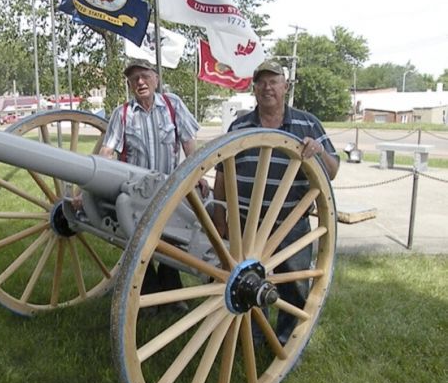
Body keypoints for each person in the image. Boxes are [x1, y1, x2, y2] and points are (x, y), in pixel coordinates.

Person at [212, 60, 340, 344]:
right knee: (246, 284)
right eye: (261, 82)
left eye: (273, 81)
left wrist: (318, 151)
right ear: (254, 88)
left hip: (290, 223)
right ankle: (253, 338)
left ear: (285, 86)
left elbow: (332, 171)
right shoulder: (240, 125)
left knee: (293, 285)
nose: (267, 88)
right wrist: (220, 214)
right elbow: (222, 172)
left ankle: (286, 341)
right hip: (247, 222)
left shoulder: (308, 123)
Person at [100, 58, 203, 306]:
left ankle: (173, 297)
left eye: (145, 76)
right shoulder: (122, 114)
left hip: (169, 187)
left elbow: (189, 143)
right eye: (134, 79)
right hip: (135, 192)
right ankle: (149, 296)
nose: (140, 82)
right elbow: (107, 151)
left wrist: (198, 176)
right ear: (130, 84)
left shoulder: (172, 104)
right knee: (138, 244)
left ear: (156, 78)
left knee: (170, 241)